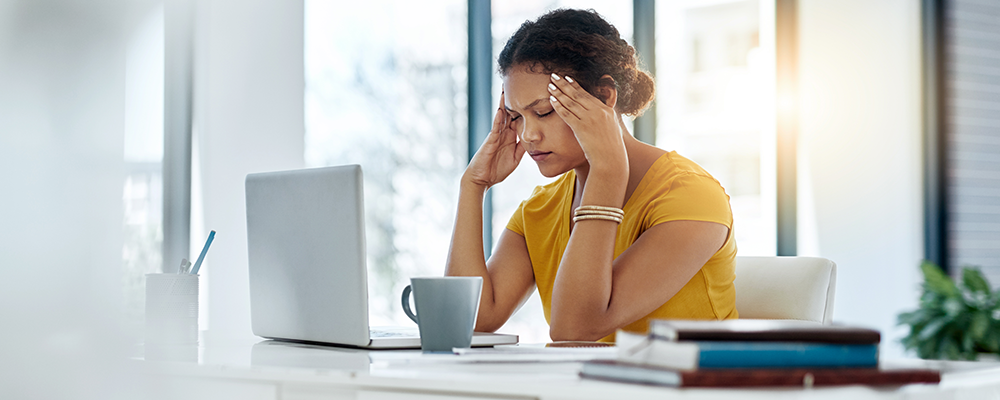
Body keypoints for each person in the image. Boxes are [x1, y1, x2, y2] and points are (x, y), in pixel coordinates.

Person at [445, 8, 737, 343]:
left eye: (543, 112)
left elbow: (575, 329)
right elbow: (469, 319)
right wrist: (473, 185)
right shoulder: (541, 210)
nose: (528, 135)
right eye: (516, 117)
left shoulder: (690, 196)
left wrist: (608, 169)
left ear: (604, 97)